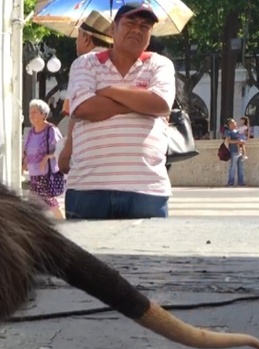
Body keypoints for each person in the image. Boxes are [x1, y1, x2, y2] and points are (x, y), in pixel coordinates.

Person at [64, 3, 175, 220]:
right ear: (112, 29)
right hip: (88, 187)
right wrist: (140, 102)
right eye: (130, 23)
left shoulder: (160, 65)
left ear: (150, 37)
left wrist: (107, 90)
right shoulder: (85, 64)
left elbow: (161, 104)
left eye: (145, 26)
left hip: (147, 189)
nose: (137, 29)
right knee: (85, 254)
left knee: (147, 254)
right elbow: (83, 108)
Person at [58, 10, 113, 173]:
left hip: (90, 156)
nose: (76, 43)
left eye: (78, 37)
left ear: (87, 38)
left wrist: (66, 152)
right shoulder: (122, 61)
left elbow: (74, 111)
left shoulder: (82, 63)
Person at [23, 99, 65, 219]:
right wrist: (24, 164)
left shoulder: (51, 130)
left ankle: (61, 222)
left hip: (46, 174)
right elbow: (27, 151)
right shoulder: (31, 132)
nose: (31, 115)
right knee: (39, 204)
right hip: (34, 174)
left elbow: (61, 148)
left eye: (34, 112)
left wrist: (47, 157)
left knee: (46, 203)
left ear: (43, 114)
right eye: (30, 112)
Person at [224, 118, 245, 187]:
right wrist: (237, 141)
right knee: (233, 166)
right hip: (233, 151)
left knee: (240, 166)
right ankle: (230, 182)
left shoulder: (237, 131)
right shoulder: (228, 132)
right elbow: (229, 141)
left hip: (240, 150)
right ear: (230, 124)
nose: (235, 123)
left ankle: (240, 182)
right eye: (233, 122)